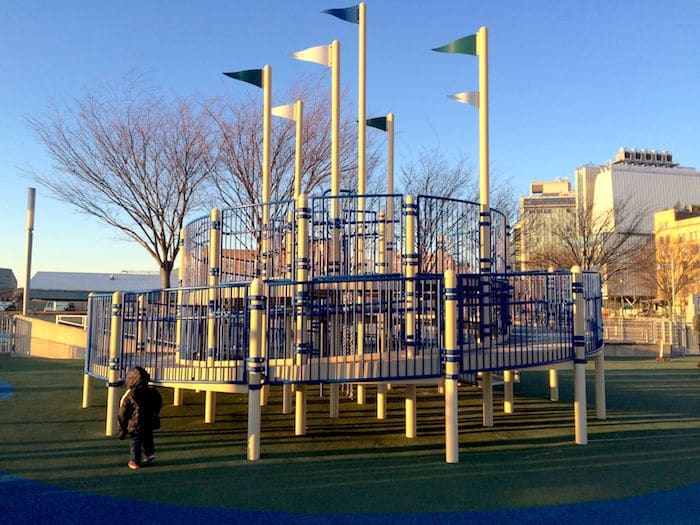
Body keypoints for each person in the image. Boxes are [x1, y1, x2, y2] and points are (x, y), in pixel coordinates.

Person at [117, 366, 163, 470]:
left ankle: (135, 461)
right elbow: (158, 403)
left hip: (135, 422)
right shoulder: (152, 391)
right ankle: (149, 453)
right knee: (148, 436)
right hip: (149, 419)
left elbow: (123, 412)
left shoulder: (130, 394)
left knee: (135, 440)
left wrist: (121, 429)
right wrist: (155, 413)